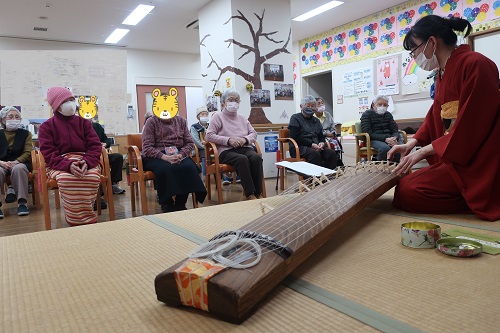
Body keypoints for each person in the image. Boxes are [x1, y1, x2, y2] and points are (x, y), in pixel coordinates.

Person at [388, 15, 500, 221]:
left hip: (477, 158)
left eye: (414, 50)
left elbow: (472, 125)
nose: (414, 56)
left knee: (408, 192)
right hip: (455, 155)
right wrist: (412, 144)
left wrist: (422, 153)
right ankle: (469, 195)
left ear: (431, 42)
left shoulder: (476, 64)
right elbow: (435, 115)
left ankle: (483, 196)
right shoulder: (442, 72)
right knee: (404, 187)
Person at [38, 87, 103, 226]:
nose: (71, 103)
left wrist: (88, 162)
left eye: (72, 99)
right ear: (56, 105)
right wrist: (67, 165)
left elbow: (95, 146)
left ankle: (87, 216)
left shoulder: (84, 123)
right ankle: (75, 220)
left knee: (91, 176)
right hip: (59, 163)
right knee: (66, 179)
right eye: (66, 101)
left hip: (84, 159)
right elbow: (48, 153)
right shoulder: (46, 127)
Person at [141, 108, 206, 213]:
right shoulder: (151, 122)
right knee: (165, 169)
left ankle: (181, 202)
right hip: (156, 155)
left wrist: (181, 154)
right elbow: (147, 148)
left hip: (178, 152)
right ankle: (166, 202)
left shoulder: (181, 121)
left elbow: (189, 143)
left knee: (188, 167)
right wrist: (165, 157)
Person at [206, 89, 263, 200]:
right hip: (226, 151)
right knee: (242, 160)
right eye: (230, 100)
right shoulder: (217, 116)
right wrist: (228, 140)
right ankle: (250, 194)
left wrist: (245, 140)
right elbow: (209, 136)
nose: (234, 103)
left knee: (256, 157)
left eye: (236, 100)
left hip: (244, 147)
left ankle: (258, 193)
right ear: (223, 102)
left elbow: (253, 133)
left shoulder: (242, 117)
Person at [288, 95, 337, 170]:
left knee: (331, 153)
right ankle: (313, 179)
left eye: (313, 106)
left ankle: (328, 177)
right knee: (314, 154)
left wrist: (322, 143)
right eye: (308, 106)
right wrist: (311, 144)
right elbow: (295, 136)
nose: (310, 108)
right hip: (300, 147)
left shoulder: (316, 120)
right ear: (301, 106)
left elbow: (321, 135)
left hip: (316, 146)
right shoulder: (295, 118)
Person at [0, 106, 32, 217]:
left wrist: (16, 161)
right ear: (3, 120)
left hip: (19, 163)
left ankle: (22, 203)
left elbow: (28, 152)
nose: (14, 119)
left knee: (19, 168)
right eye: (10, 116)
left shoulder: (26, 134)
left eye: (17, 117)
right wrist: (1, 163)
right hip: (1, 163)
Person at [360, 95, 402, 162]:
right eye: (379, 104)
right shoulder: (366, 114)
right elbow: (368, 133)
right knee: (384, 148)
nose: (382, 106)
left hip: (389, 138)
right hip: (373, 139)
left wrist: (394, 138)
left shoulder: (388, 115)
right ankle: (381, 169)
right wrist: (385, 139)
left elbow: (394, 129)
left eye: (385, 105)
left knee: (398, 148)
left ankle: (394, 168)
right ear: (373, 105)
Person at [91, 120, 126, 194]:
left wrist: (105, 144)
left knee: (118, 157)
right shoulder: (79, 127)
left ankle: (113, 183)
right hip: (90, 156)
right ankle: (99, 185)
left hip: (102, 154)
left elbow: (106, 140)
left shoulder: (97, 126)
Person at [315, 97, 343, 166]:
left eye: (322, 103)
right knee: (329, 143)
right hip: (321, 136)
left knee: (336, 141)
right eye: (319, 103)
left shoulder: (327, 114)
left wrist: (332, 133)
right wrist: (325, 134)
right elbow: (316, 131)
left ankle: (337, 159)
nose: (321, 105)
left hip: (330, 135)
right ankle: (334, 161)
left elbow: (333, 126)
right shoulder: (313, 117)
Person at [190, 106, 209, 175]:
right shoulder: (194, 127)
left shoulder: (211, 126)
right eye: (202, 114)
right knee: (205, 153)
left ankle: (225, 176)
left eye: (206, 114)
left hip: (212, 146)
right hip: (200, 148)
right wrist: (205, 147)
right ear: (198, 117)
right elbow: (195, 141)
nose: (204, 116)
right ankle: (205, 175)